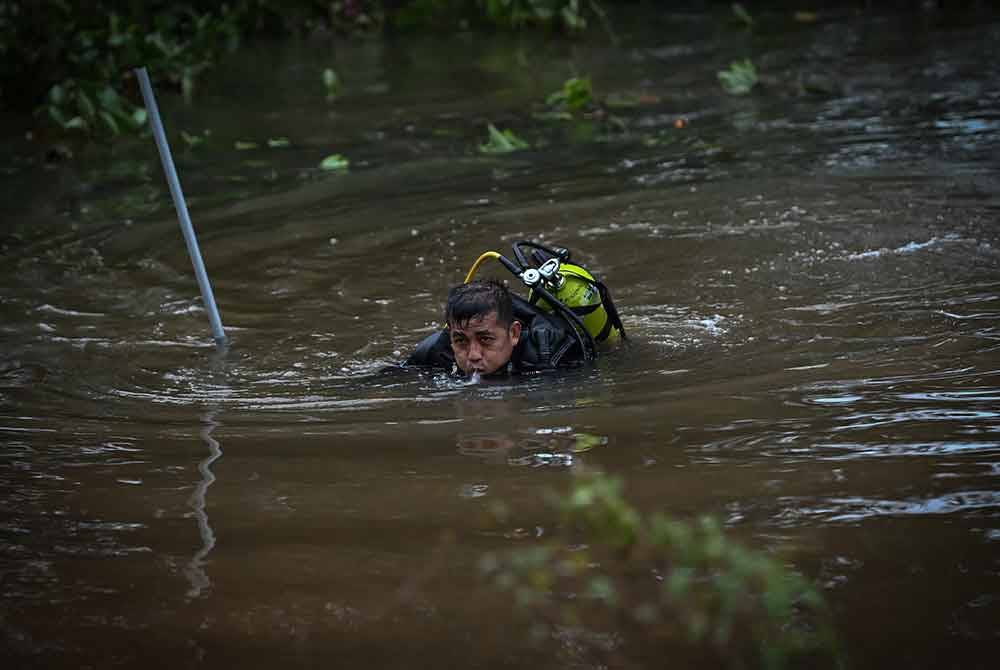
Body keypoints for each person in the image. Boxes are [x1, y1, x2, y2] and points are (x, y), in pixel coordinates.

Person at [406, 279, 585, 376]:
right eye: (460, 341)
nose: (473, 355)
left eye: (485, 339)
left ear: (513, 333)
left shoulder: (553, 354)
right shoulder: (434, 352)